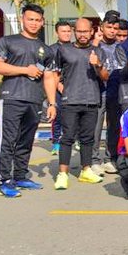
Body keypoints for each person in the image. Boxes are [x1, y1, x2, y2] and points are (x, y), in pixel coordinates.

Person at [0, 4, 53, 197]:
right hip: (12, 97)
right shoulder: (7, 41)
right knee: (8, 140)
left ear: (42, 22)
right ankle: (5, 180)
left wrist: (52, 103)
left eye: (37, 20)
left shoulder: (45, 49)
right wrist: (26, 70)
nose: (33, 23)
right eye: (30, 19)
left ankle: (20, 175)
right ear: (22, 19)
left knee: (26, 140)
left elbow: (49, 76)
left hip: (34, 100)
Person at [44, 17, 106, 189]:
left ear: (92, 31)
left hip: (92, 101)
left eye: (86, 31)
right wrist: (52, 102)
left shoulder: (98, 52)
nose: (82, 35)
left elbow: (106, 76)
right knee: (67, 137)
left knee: (88, 138)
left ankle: (86, 170)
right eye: (79, 31)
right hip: (70, 101)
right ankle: (62, 173)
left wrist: (98, 65)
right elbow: (53, 75)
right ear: (74, 32)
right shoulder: (63, 50)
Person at [93, 11, 122, 175]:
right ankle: (94, 160)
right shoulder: (95, 45)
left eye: (115, 28)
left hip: (115, 93)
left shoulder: (120, 46)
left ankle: (110, 158)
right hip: (97, 91)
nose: (112, 30)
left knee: (114, 127)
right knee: (96, 127)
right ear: (102, 27)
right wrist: (95, 43)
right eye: (109, 27)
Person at [48, 20, 74, 155]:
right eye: (63, 31)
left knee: (75, 116)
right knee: (57, 116)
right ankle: (57, 142)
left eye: (69, 31)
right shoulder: (51, 50)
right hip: (58, 87)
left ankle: (77, 140)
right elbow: (49, 72)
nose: (67, 34)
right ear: (57, 33)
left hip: (74, 87)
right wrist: (58, 85)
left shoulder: (75, 47)